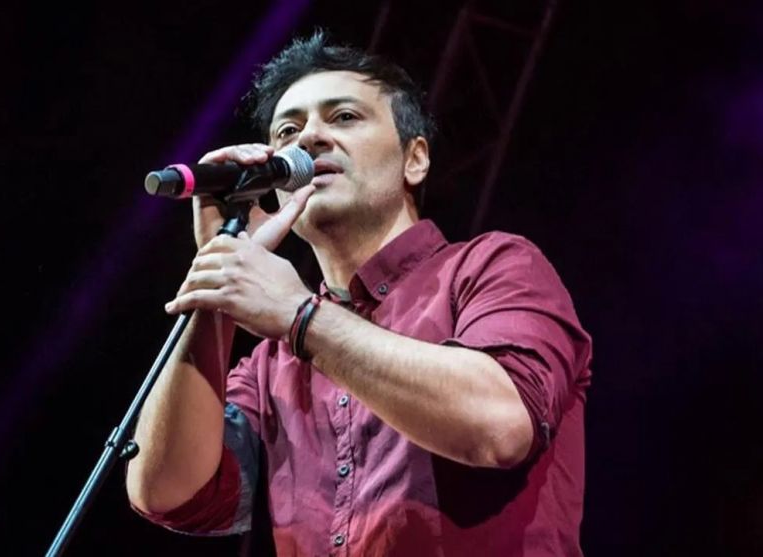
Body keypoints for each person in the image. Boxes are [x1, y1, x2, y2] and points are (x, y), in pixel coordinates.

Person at [126, 31, 592, 556]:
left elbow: (500, 427)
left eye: (344, 117)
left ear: (415, 159)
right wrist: (220, 282)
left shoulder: (495, 266)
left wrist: (300, 316)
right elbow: (165, 491)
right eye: (288, 130)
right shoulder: (270, 365)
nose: (310, 138)